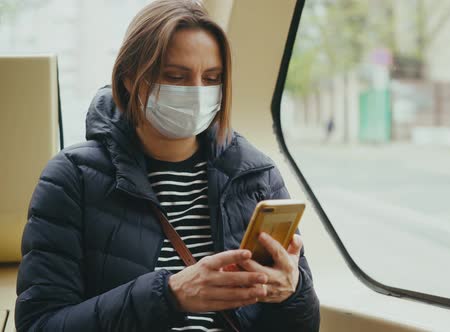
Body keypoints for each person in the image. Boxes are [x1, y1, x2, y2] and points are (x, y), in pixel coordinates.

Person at [14, 1, 320, 331]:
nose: (197, 93)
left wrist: (292, 290)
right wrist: (169, 295)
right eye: (175, 77)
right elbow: (39, 324)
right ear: (130, 78)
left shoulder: (256, 176)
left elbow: (301, 325)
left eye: (212, 78)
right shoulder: (72, 179)